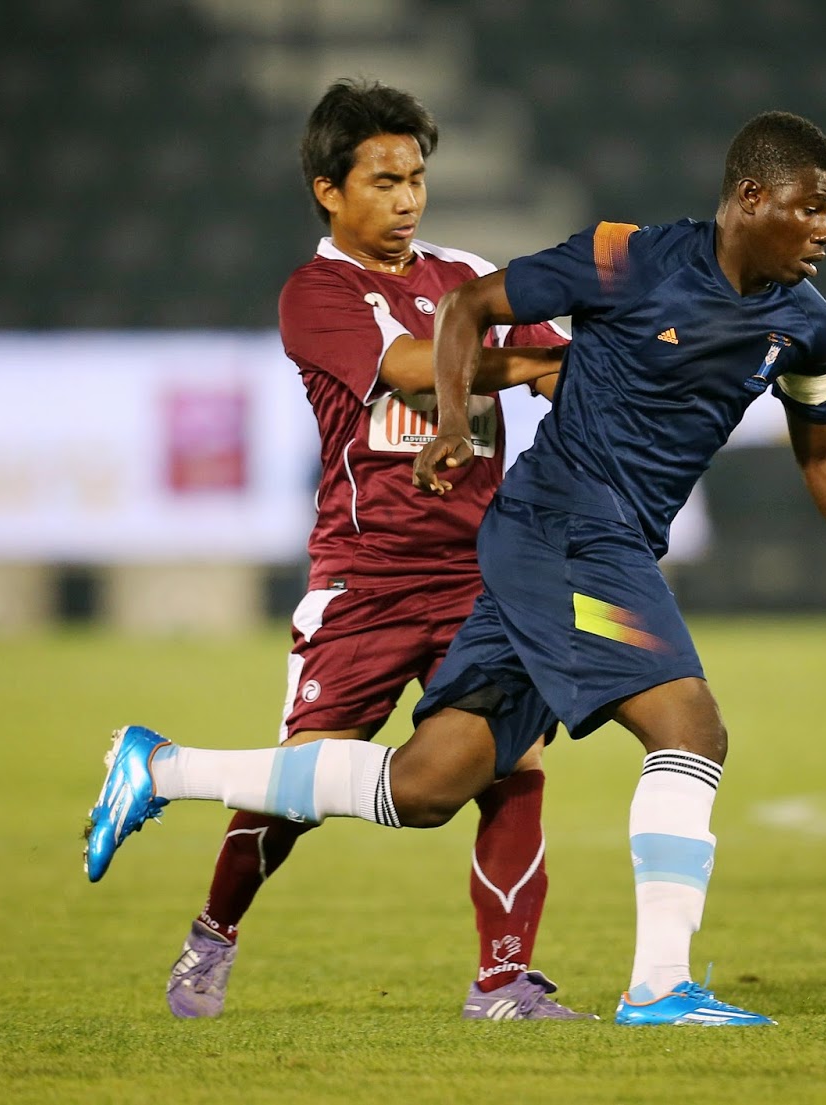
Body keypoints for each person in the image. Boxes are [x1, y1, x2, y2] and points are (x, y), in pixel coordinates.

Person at [86, 110, 826, 1026]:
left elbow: (824, 454)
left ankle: (162, 769)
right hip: (545, 532)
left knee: (433, 785)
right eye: (812, 208)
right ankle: (659, 986)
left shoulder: (808, 327)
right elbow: (461, 325)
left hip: (526, 549)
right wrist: (455, 416)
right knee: (690, 726)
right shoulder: (623, 258)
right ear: (751, 197)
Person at [154, 79, 593, 1023]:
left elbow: (566, 365)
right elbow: (411, 368)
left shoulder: (463, 272)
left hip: (480, 577)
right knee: (302, 779)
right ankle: (212, 934)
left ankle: (502, 979)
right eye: (384, 181)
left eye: (416, 179)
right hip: (367, 579)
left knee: (511, 764)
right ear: (329, 190)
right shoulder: (315, 294)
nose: (407, 200)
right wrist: (530, 362)